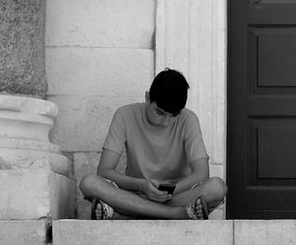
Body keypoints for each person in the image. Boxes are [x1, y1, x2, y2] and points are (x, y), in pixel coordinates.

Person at [79, 69, 227, 220]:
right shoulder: (124, 115)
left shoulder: (189, 119)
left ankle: (125, 215)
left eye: (173, 116)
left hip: (177, 194)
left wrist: (168, 193)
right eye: (160, 113)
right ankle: (177, 214)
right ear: (148, 97)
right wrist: (140, 185)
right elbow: (104, 171)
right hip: (137, 192)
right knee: (89, 183)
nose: (165, 122)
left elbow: (201, 174)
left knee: (217, 188)